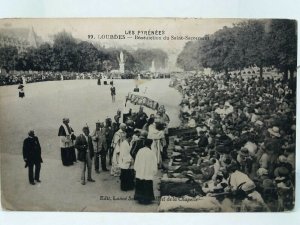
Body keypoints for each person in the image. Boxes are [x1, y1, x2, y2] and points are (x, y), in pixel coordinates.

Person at [134, 139, 157, 204]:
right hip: (148, 172)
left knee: (140, 183)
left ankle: (139, 198)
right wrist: (154, 171)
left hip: (140, 171)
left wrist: (136, 169)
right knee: (147, 183)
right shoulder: (151, 152)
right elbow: (154, 163)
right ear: (150, 144)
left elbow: (137, 160)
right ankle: (147, 199)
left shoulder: (140, 151)